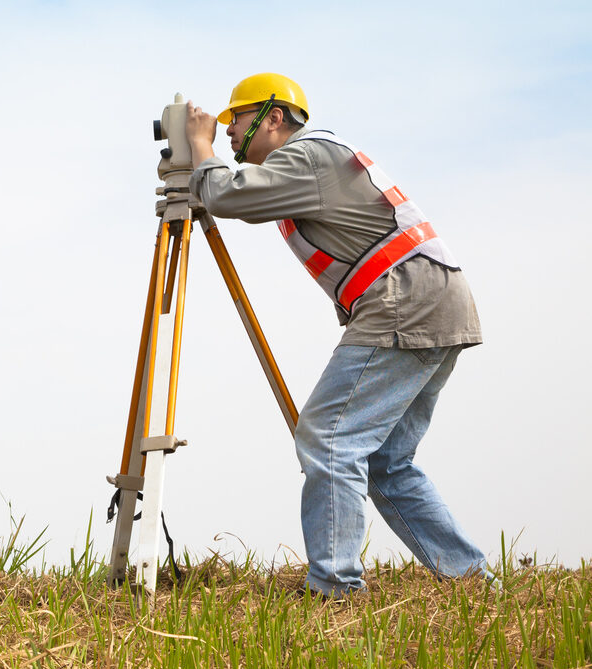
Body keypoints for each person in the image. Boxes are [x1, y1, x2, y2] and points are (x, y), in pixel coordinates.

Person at [182, 73, 493, 598]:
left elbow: (228, 196)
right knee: (384, 463)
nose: (229, 130)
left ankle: (336, 588)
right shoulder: (315, 159)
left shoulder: (304, 155)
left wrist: (198, 146)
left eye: (236, 118)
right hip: (431, 300)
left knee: (329, 439)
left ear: (273, 118)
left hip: (405, 301)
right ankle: (471, 580)